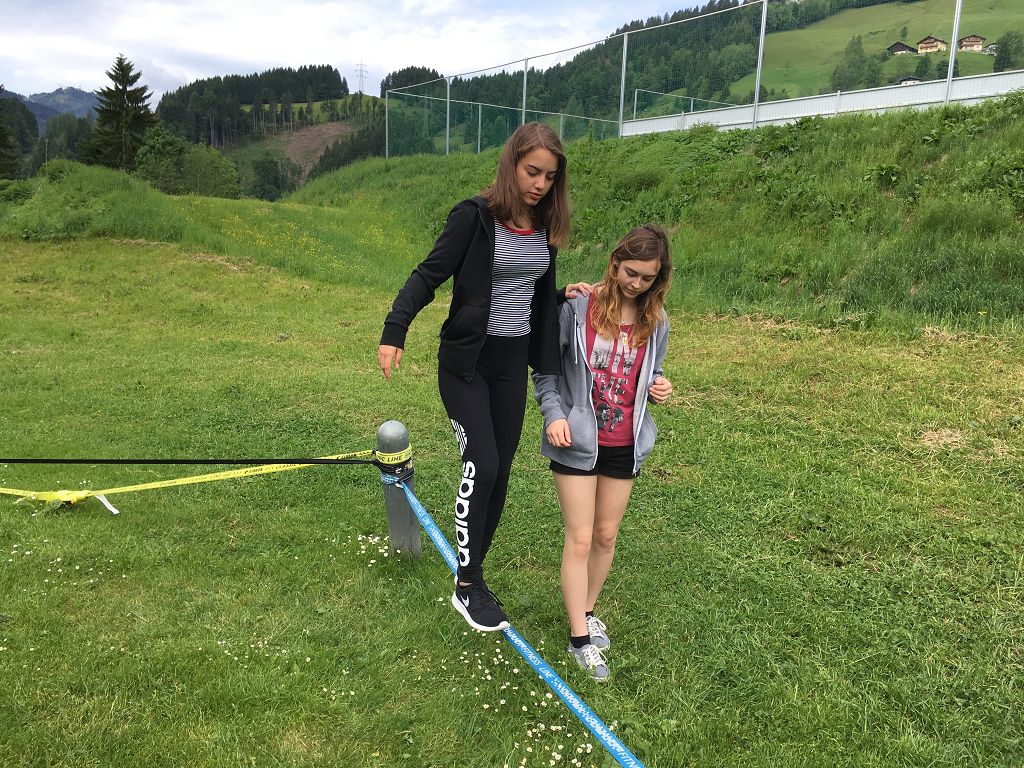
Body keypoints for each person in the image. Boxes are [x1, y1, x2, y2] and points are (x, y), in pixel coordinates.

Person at [378, 122, 586, 633]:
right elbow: (429, 274)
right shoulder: (473, 217)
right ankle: (467, 585)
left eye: (549, 177)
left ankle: (474, 576)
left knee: (502, 472)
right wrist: (395, 329)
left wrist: (561, 296)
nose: (540, 184)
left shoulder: (543, 228)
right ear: (511, 164)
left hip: (511, 365)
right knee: (483, 464)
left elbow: (532, 293)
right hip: (467, 364)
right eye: (532, 171)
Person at [532, 224, 673, 680]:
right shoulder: (577, 308)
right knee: (579, 536)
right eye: (630, 272)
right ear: (614, 263)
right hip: (575, 441)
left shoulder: (658, 322)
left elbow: (651, 372)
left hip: (624, 444)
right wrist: (554, 415)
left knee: (606, 535)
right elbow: (546, 370)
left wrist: (659, 386)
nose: (636, 283)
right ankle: (579, 640)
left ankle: (588, 611)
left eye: (647, 278)